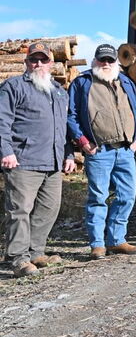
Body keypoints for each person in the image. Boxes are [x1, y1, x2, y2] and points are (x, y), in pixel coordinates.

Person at [0, 43, 75, 277]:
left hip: (52, 162)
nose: (39, 64)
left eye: (43, 60)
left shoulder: (58, 91)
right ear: (26, 62)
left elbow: (63, 128)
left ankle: (35, 252)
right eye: (34, 60)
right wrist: (6, 151)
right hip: (23, 160)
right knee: (19, 210)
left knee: (49, 208)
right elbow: (1, 121)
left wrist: (69, 154)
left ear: (51, 63)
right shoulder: (13, 87)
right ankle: (17, 258)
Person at [67, 43, 136, 259]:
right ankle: (97, 244)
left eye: (110, 60)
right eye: (103, 59)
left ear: (116, 61)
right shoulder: (83, 82)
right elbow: (71, 115)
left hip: (125, 150)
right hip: (99, 151)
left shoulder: (125, 81)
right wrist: (82, 141)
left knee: (128, 195)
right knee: (98, 197)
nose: (107, 63)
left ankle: (117, 239)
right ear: (95, 60)